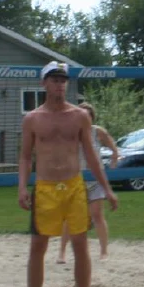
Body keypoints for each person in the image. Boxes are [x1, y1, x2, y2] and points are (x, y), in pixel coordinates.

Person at [16, 62, 117, 287]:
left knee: (80, 245)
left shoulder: (79, 116)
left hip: (73, 186)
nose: (60, 84)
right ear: (44, 83)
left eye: (63, 80)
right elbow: (26, 157)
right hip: (46, 187)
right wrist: (22, 188)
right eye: (54, 79)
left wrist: (106, 188)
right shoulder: (33, 119)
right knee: (38, 246)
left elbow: (92, 156)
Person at [57, 101, 122, 264]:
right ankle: (62, 253)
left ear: (91, 117)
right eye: (81, 114)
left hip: (95, 179)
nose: (84, 117)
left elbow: (113, 147)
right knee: (69, 218)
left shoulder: (97, 132)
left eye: (87, 115)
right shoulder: (71, 133)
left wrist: (114, 159)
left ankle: (104, 252)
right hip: (75, 180)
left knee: (97, 215)